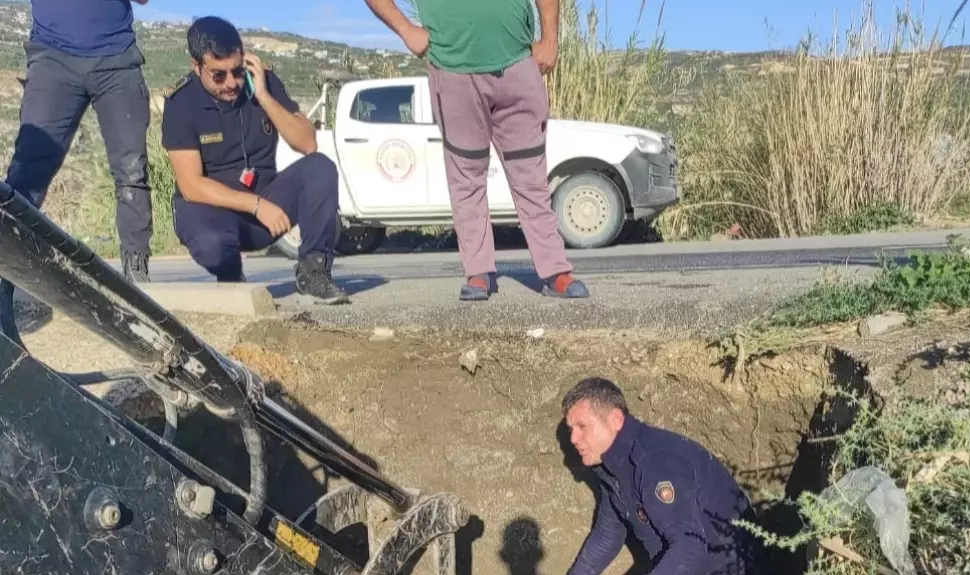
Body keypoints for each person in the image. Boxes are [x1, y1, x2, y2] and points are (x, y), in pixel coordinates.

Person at [364, 0, 589, 303]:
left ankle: (555, 271)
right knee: (466, 179)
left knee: (531, 179)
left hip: (518, 66)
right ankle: (479, 272)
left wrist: (550, 39)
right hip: (454, 70)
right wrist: (405, 29)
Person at [544, 378, 760, 575]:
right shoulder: (615, 469)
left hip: (725, 574)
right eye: (570, 429)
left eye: (582, 427)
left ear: (615, 420)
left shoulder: (654, 463)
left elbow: (690, 547)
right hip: (695, 574)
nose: (574, 439)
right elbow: (607, 536)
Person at [161, 17, 347, 303]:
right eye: (218, 75)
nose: (232, 83)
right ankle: (231, 278)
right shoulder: (181, 104)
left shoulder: (263, 82)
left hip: (266, 206)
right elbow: (191, 186)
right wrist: (257, 206)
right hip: (215, 213)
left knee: (320, 168)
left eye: (237, 71)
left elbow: (307, 143)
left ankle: (314, 273)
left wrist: (263, 95)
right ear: (196, 67)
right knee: (211, 242)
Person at [0, 0, 153, 342]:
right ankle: (2, 286)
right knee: (25, 178)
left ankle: (140, 287)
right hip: (53, 59)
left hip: (116, 58)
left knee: (131, 172)